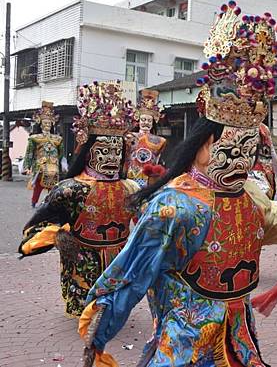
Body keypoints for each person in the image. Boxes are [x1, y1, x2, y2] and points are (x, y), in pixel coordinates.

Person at [78, 1, 277, 367]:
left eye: (249, 151)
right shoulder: (174, 206)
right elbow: (132, 271)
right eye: (230, 149)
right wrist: (100, 329)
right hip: (187, 331)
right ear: (202, 145)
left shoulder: (247, 194)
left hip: (236, 330)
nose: (241, 161)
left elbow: (268, 218)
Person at [18, 81, 139, 317]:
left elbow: (146, 224)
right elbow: (40, 223)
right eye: (104, 151)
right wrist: (58, 234)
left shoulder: (131, 187)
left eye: (116, 151)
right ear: (88, 153)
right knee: (84, 304)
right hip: (84, 253)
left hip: (119, 253)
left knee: (113, 304)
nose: (111, 156)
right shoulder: (71, 189)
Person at [23, 101, 62, 208]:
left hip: (54, 164)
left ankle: (51, 202)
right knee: (39, 185)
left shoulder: (58, 139)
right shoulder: (35, 138)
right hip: (40, 165)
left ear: (52, 124)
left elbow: (61, 154)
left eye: (49, 123)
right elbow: (29, 153)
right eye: (45, 123)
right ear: (40, 124)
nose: (47, 125)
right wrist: (27, 166)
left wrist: (63, 164)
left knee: (53, 186)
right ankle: (34, 201)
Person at [124, 89, 167, 187]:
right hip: (129, 177)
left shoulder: (160, 141)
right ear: (138, 121)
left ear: (153, 123)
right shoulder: (129, 136)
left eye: (149, 120)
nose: (146, 123)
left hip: (148, 178)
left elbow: (157, 161)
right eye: (143, 120)